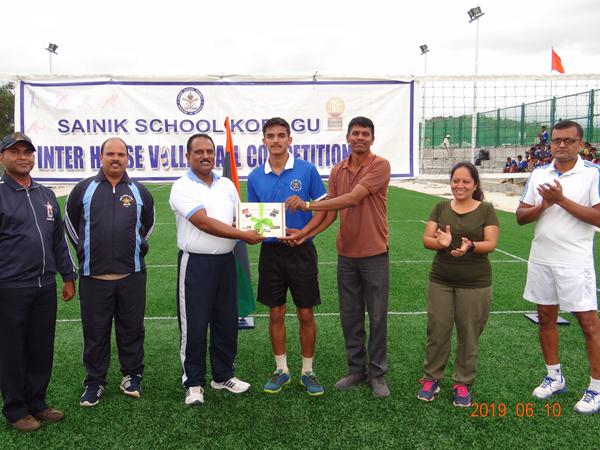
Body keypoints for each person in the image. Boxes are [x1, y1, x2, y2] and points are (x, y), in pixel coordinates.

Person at [285, 116, 391, 397]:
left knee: (377, 317)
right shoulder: (337, 170)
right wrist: (304, 234)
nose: (360, 138)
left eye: (365, 134)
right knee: (350, 316)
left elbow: (353, 198)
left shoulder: (380, 165)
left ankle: (377, 374)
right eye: (355, 133)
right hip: (346, 255)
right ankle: (356, 370)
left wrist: (307, 205)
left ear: (372, 138)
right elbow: (331, 212)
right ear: (347, 137)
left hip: (374, 253)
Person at [169, 133, 263, 405]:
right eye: (198, 152)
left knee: (226, 321)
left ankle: (223, 375)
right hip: (196, 264)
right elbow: (203, 222)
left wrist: (271, 227)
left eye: (209, 151)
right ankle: (193, 382)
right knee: (194, 325)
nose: (205, 156)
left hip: (226, 262)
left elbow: (240, 218)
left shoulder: (227, 185)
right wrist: (242, 234)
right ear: (188, 156)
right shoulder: (182, 186)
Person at [516, 120, 600, 415]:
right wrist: (544, 206)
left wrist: (560, 200)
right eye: (556, 140)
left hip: (575, 263)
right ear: (549, 143)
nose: (561, 145)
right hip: (542, 259)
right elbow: (521, 217)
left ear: (580, 144)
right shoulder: (539, 173)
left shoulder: (592, 174)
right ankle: (554, 377)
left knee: (589, 325)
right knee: (546, 319)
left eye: (568, 140)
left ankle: (596, 388)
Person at [65, 137, 155, 407]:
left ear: (128, 158)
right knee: (95, 332)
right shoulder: (83, 189)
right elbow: (70, 224)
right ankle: (94, 381)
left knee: (132, 329)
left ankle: (132, 376)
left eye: (121, 154)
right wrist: (84, 252)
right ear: (101, 157)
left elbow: (148, 226)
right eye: (110, 154)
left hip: (132, 276)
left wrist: (135, 249)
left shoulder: (139, 191)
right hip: (93, 277)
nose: (116, 158)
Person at [0, 132, 76, 432]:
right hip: (9, 287)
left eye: (27, 152)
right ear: (3, 157)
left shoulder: (45, 194)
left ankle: (37, 403)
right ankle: (16, 410)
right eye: (15, 151)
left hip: (44, 286)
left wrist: (68, 276)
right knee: (11, 350)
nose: (23, 157)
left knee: (40, 348)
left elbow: (58, 241)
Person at [247, 117, 328, 396]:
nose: (276, 140)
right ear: (264, 141)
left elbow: (324, 209)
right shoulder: (255, 176)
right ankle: (281, 369)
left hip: (301, 250)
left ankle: (308, 371)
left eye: (281, 135)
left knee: (305, 312)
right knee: (276, 312)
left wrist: (303, 233)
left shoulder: (307, 170)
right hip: (271, 252)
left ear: (290, 140)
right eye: (270, 136)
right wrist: (251, 230)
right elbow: (255, 218)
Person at [417, 162, 499, 407]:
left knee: (469, 334)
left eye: (465, 181)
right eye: (455, 180)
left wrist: (471, 246)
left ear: (475, 185)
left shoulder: (486, 209)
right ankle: (431, 378)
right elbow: (427, 239)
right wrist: (441, 243)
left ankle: (463, 382)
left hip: (476, 282)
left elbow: (491, 243)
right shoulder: (440, 207)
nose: (460, 185)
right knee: (437, 331)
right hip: (441, 280)